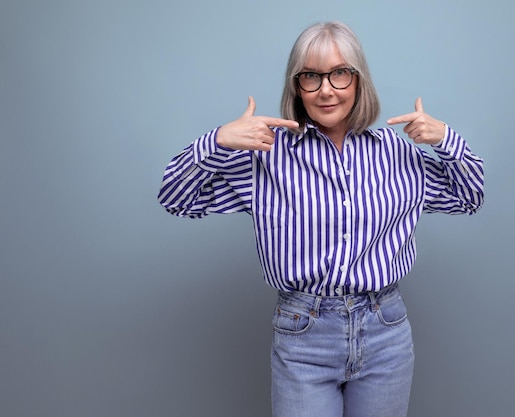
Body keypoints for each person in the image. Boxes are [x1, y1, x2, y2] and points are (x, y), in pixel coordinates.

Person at [158, 21, 484, 417]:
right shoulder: (266, 156)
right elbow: (175, 197)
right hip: (304, 335)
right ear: (297, 87)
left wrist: (446, 140)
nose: (326, 89)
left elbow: (470, 197)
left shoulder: (398, 155)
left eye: (339, 74)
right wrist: (218, 140)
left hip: (385, 332)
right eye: (311, 76)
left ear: (359, 80)